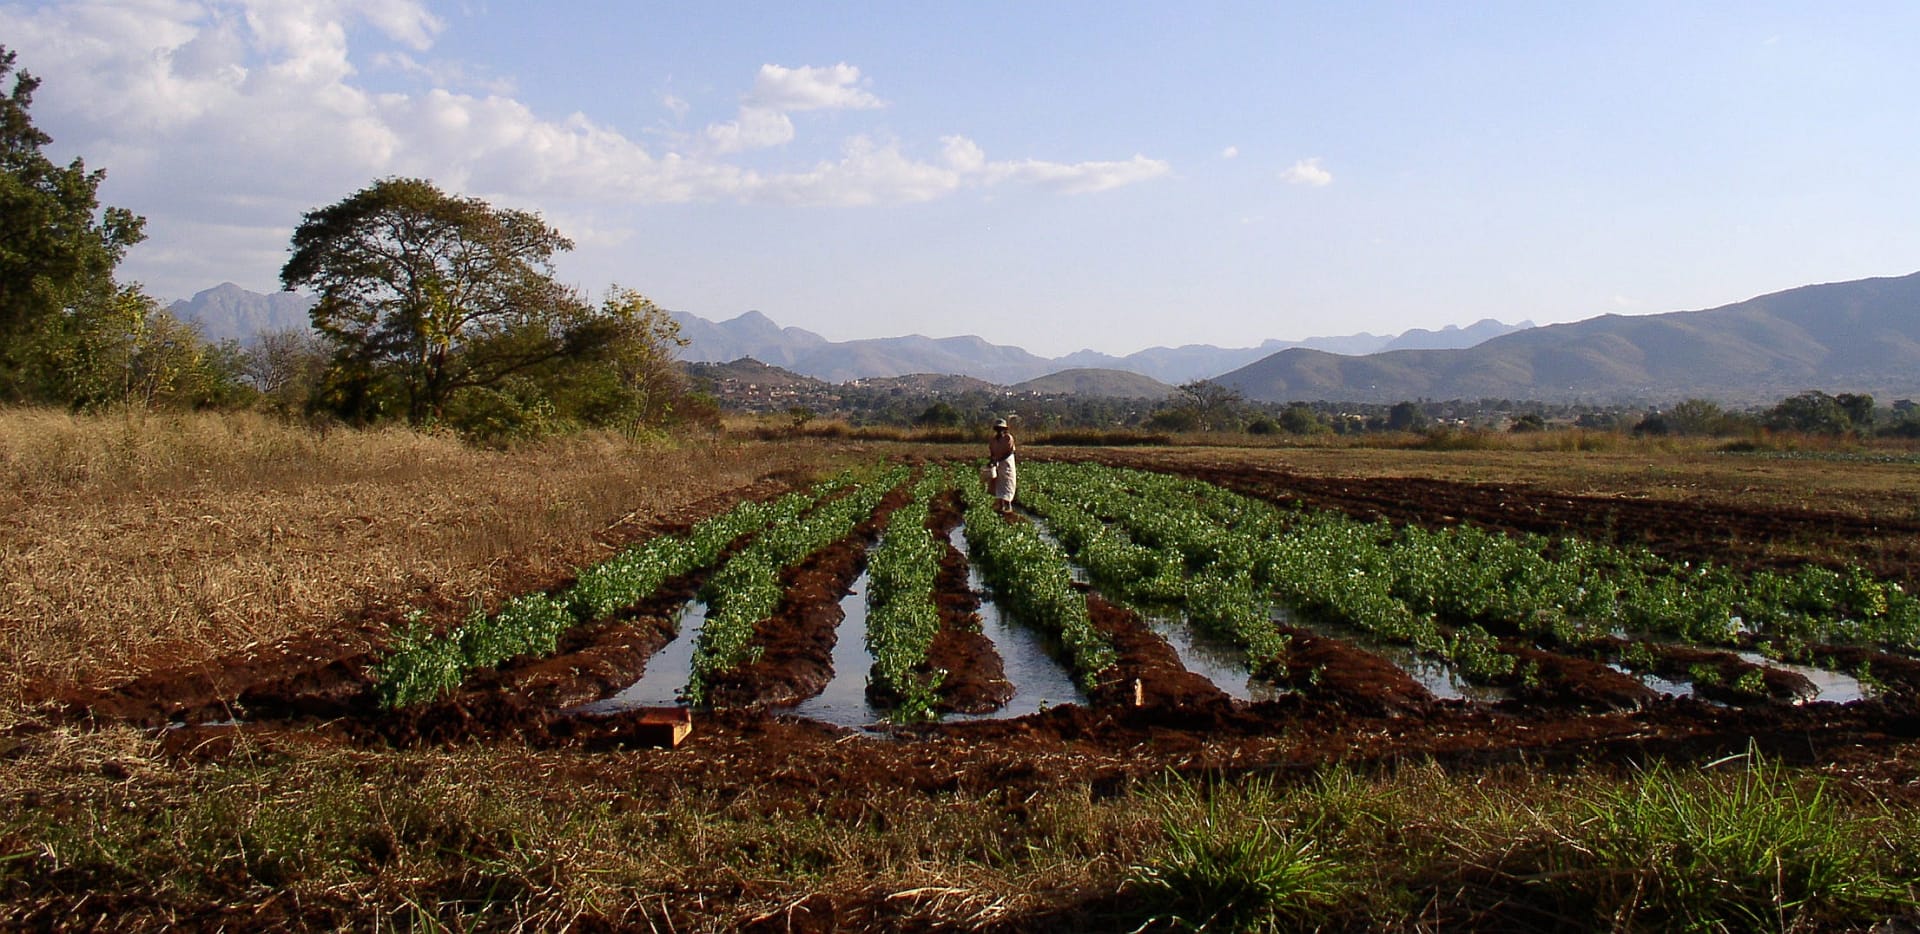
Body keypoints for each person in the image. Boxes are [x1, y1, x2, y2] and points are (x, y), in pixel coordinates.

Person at [987, 418, 1017, 513]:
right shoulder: (993, 440)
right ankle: (1001, 506)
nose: (999, 430)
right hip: (998, 463)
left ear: (1005, 429)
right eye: (998, 428)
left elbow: (1009, 452)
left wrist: (998, 460)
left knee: (1008, 483)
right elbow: (992, 452)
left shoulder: (1008, 438)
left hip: (1007, 463)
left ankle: (1008, 506)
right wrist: (992, 461)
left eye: (1001, 429)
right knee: (998, 483)